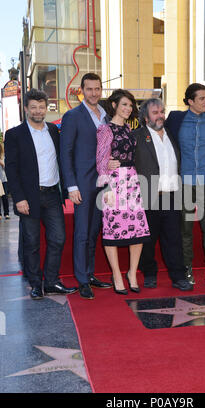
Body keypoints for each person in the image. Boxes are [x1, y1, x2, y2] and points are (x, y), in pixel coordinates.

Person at [4, 89, 77, 300]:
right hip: (29, 197)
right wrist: (18, 198)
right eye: (33, 107)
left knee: (58, 238)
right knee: (31, 243)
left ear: (47, 108)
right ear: (26, 108)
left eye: (41, 107)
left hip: (53, 194)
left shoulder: (54, 131)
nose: (38, 111)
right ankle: (36, 284)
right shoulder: (15, 134)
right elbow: (11, 169)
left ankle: (52, 281)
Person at [165, 83, 205, 286]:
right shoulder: (175, 119)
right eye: (202, 98)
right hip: (184, 182)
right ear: (190, 101)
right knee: (185, 229)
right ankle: (186, 269)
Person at [60, 73, 112, 299]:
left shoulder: (105, 115)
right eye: (89, 89)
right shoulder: (72, 116)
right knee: (81, 232)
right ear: (82, 90)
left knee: (93, 231)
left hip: (102, 183)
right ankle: (82, 279)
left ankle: (89, 274)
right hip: (81, 182)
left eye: (97, 89)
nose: (94, 93)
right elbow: (65, 153)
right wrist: (71, 185)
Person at [131, 98, 192, 291]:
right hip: (149, 194)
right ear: (145, 116)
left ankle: (178, 277)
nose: (160, 116)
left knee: (173, 239)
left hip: (171, 195)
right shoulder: (137, 137)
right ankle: (149, 273)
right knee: (148, 239)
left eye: (162, 111)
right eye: (155, 112)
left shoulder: (171, 135)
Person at [96, 89, 150, 294]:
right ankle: (117, 274)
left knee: (138, 229)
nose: (128, 109)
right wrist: (107, 187)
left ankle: (132, 273)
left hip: (132, 181)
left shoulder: (129, 128)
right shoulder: (105, 130)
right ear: (114, 106)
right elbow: (101, 162)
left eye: (130, 105)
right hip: (114, 182)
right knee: (112, 229)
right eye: (124, 104)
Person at [0, 144, 10, 220]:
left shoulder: (4, 157)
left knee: (5, 197)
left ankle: (6, 213)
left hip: (4, 180)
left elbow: (7, 167)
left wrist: (1, 162)